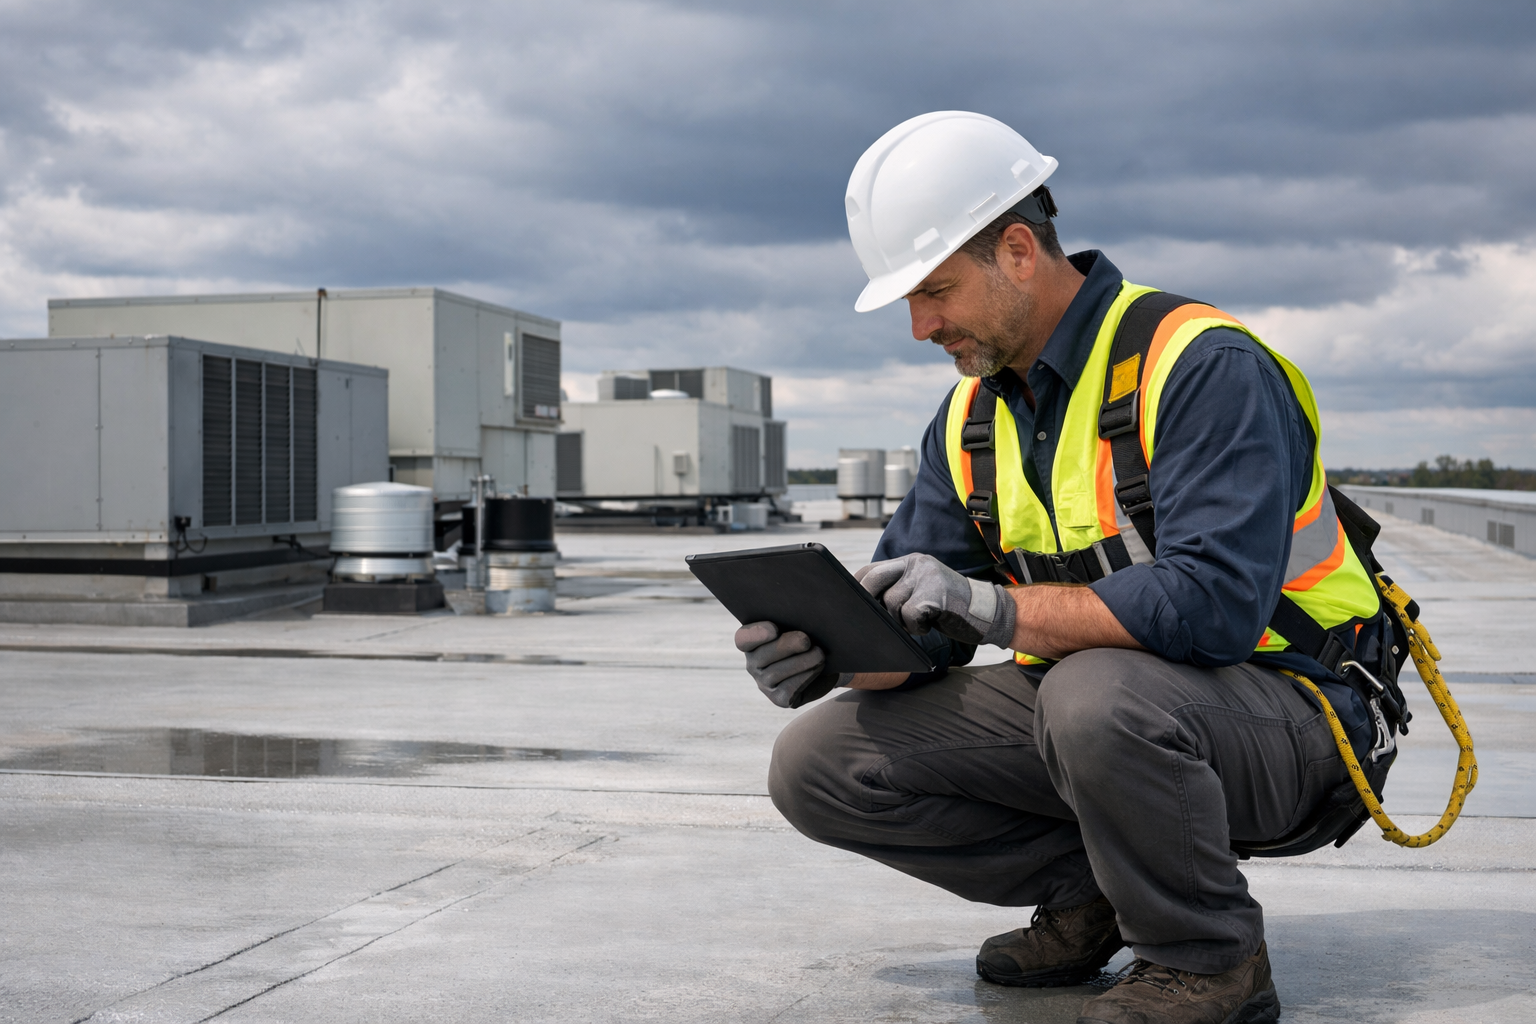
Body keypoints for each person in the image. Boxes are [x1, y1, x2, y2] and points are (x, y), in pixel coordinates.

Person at [735, 112, 1403, 1024]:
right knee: (821, 760)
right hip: (1110, 712)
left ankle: (1209, 961)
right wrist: (837, 652)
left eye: (934, 291)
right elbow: (921, 629)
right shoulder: (972, 420)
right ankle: (1100, 896)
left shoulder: (1200, 366)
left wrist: (987, 607)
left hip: (1297, 712)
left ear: (1017, 250)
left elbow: (1213, 610)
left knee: (1094, 695)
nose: (921, 326)